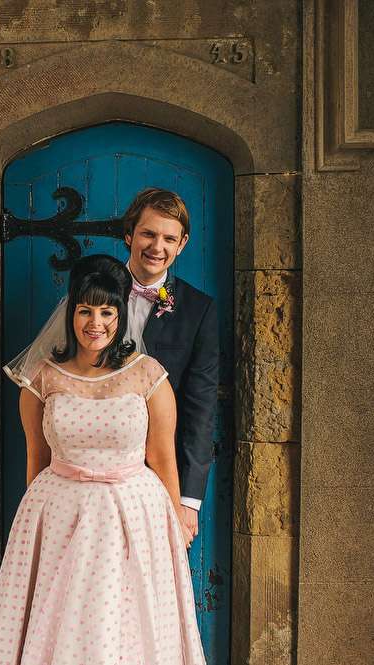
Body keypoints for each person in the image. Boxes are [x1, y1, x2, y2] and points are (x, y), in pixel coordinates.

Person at [0, 254, 205, 665]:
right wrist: (36, 529)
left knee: (122, 624)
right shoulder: (42, 378)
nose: (95, 323)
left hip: (132, 516)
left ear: (120, 317)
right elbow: (36, 459)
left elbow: (163, 458)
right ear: (71, 313)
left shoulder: (148, 375)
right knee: (63, 623)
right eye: (85, 311)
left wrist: (173, 530)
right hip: (61, 515)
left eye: (106, 312)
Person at [121, 188, 220, 545]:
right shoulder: (93, 290)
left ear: (182, 244)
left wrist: (188, 501)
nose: (157, 247)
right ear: (129, 234)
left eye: (169, 239)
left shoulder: (199, 309)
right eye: (148, 234)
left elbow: (201, 406)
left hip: (163, 471)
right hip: (99, 465)